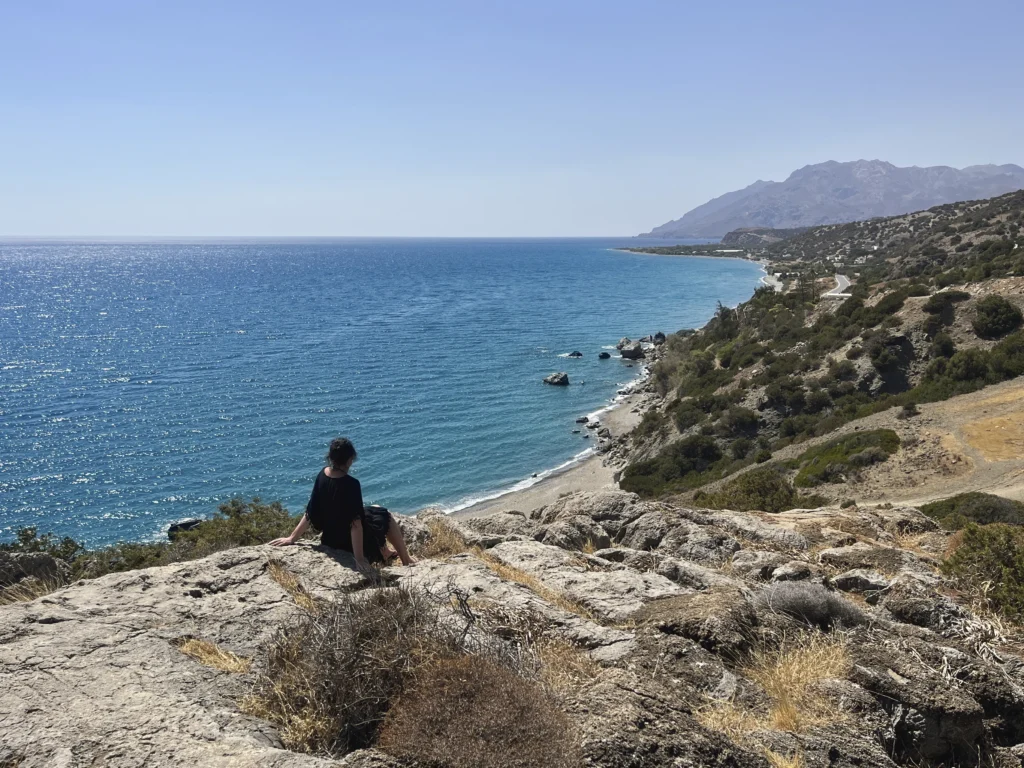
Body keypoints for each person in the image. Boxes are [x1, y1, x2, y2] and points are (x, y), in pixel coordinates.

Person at [269, 437, 415, 569]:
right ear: (350, 460)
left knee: (375, 509)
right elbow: (356, 525)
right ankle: (406, 560)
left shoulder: (322, 475)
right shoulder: (351, 484)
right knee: (385, 515)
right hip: (349, 544)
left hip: (330, 539)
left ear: (330, 457)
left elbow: (310, 512)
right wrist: (359, 559)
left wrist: (292, 538)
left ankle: (386, 552)